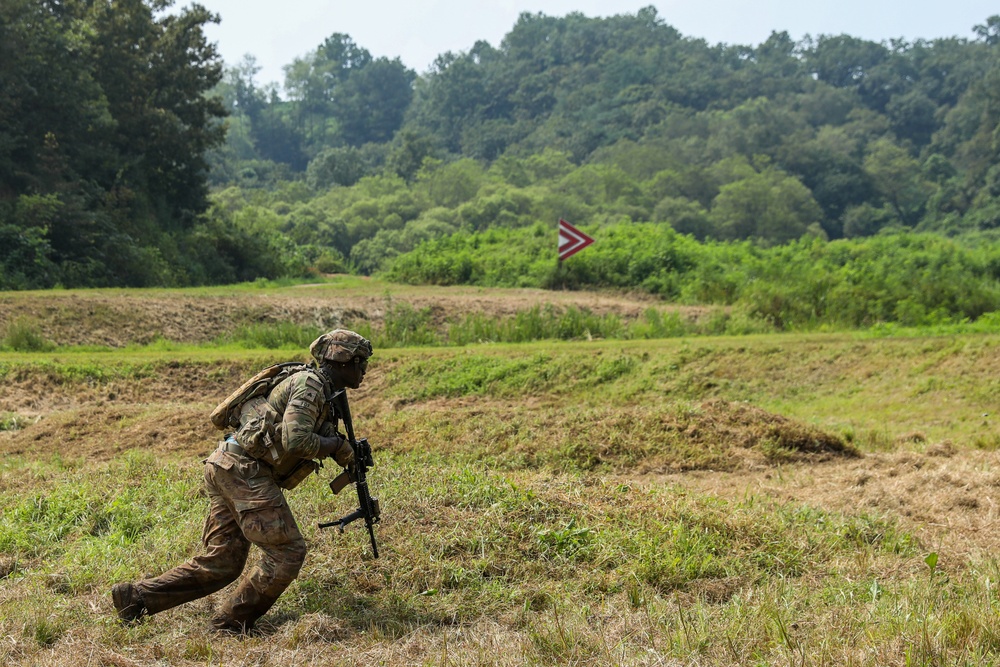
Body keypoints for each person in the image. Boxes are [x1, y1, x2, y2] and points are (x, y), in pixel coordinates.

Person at [111, 329, 373, 634]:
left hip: (228, 464)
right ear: (342, 361)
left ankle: (136, 598)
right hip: (244, 470)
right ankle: (230, 624)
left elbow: (304, 435)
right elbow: (296, 441)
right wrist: (339, 447)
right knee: (288, 552)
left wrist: (345, 452)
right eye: (360, 362)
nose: (364, 370)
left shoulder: (323, 391)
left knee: (224, 562)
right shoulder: (310, 385)